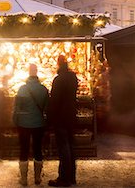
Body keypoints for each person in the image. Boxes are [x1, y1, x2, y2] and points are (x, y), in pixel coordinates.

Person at [13, 63, 49, 186]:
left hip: (23, 124)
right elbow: (46, 107)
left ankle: (23, 179)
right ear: (37, 72)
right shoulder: (43, 89)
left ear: (29, 73)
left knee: (24, 149)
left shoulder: (22, 89)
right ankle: (37, 178)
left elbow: (17, 108)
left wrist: (15, 121)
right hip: (39, 123)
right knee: (38, 149)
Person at [48, 55, 78, 187]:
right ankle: (71, 177)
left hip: (61, 117)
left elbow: (54, 101)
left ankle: (63, 179)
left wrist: (50, 117)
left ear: (58, 64)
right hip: (71, 116)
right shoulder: (73, 78)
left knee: (63, 147)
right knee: (71, 146)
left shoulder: (58, 80)